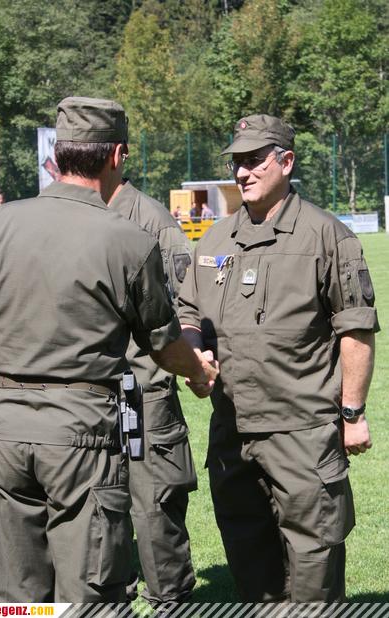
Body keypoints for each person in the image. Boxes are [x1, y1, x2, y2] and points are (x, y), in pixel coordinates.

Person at [0, 97, 217, 603]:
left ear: (57, 155)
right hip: (81, 433)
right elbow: (163, 343)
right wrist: (198, 371)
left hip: (7, 429)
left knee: (14, 596)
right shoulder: (128, 239)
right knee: (90, 592)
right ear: (117, 155)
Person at [178, 114, 378, 602]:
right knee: (249, 557)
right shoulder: (216, 238)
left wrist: (352, 413)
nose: (242, 172)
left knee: (313, 560)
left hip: (302, 431)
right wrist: (194, 349)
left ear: (286, 162)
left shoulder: (327, 236)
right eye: (236, 163)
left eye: (254, 161)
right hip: (232, 431)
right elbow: (188, 310)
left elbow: (355, 328)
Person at [109, 173, 196, 611]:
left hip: (143, 389)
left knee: (155, 502)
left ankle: (170, 600)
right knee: (99, 503)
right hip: (87, 393)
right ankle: (112, 594)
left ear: (116, 156)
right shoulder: (72, 211)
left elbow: (188, 297)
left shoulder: (151, 219)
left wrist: (191, 363)